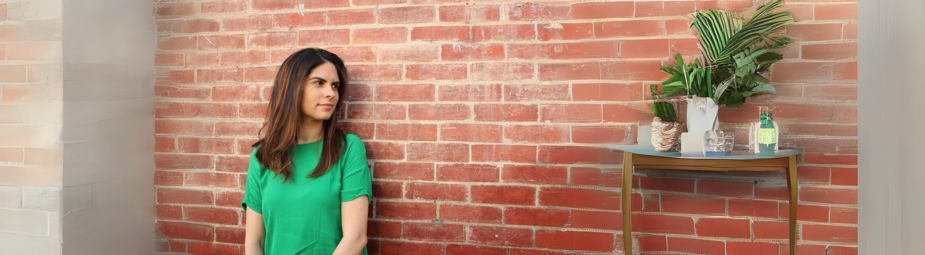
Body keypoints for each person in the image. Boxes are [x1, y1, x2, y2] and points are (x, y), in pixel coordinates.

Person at [241, 48, 371, 255]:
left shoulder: (348, 149)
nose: (331, 93)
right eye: (319, 83)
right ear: (293, 88)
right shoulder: (263, 156)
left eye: (335, 86)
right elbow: (254, 242)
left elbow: (355, 238)